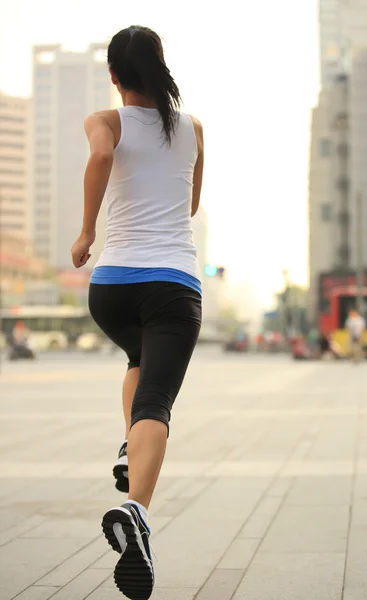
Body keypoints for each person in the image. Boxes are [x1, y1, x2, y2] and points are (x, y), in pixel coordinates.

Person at [71, 25, 203, 600]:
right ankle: (137, 515)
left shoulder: (106, 120)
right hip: (172, 282)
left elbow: (102, 152)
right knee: (157, 402)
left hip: (112, 287)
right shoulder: (194, 130)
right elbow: (190, 202)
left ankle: (131, 446)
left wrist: (85, 234)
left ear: (114, 75)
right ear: (160, 68)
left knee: (137, 356)